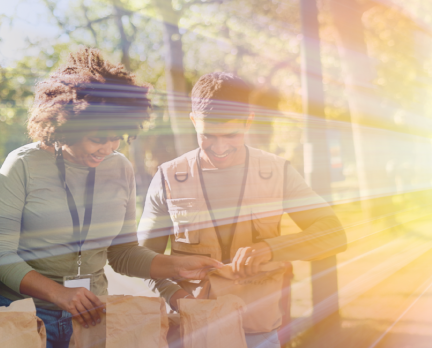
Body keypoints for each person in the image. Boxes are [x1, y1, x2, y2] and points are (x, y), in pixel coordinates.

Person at [0, 48, 221, 348]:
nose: (107, 148)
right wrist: (60, 294)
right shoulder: (22, 165)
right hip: (20, 314)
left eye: (116, 137)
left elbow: (123, 254)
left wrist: (176, 267)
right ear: (68, 126)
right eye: (97, 138)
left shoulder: (120, 168)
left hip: (90, 314)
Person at [138, 72, 348, 348]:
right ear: (193, 121)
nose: (220, 147)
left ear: (248, 120)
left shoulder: (278, 171)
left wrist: (269, 249)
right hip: (193, 332)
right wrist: (176, 296)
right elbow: (141, 259)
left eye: (231, 135)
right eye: (208, 135)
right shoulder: (167, 177)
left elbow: (334, 234)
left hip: (260, 334)